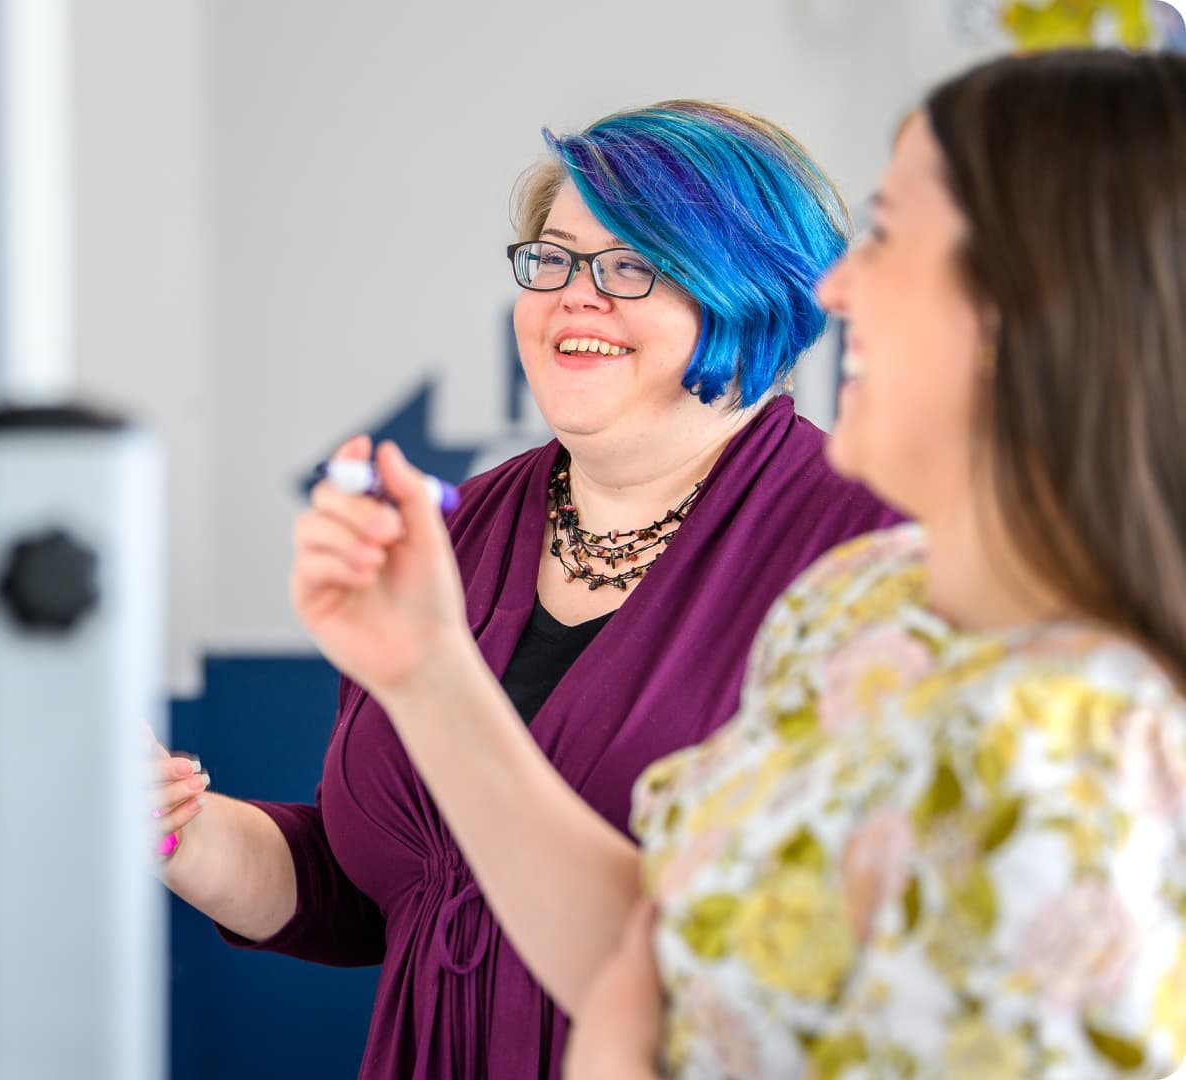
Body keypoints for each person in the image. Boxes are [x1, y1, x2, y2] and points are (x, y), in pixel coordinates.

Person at [295, 50, 1186, 1079]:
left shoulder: (1095, 752)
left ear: (1036, 308)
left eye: (887, 236)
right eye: (556, 257)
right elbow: (666, 951)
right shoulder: (858, 602)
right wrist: (427, 671)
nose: (836, 286)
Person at [150, 99, 898, 1078]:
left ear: (752, 290)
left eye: (633, 265)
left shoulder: (865, 549)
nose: (576, 297)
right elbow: (377, 888)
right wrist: (181, 831)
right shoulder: (457, 527)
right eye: (553, 258)